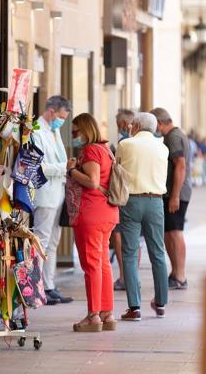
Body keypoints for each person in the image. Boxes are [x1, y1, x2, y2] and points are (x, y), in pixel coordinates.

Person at [66, 113, 119, 332]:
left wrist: (71, 170)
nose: (73, 136)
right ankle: (107, 313)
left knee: (91, 265)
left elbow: (92, 181)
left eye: (75, 131)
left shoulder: (90, 150)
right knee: (103, 263)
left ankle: (93, 315)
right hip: (107, 212)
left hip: (91, 213)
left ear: (86, 130)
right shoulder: (105, 149)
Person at [116, 112, 169, 320]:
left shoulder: (126, 144)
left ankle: (134, 307)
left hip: (131, 201)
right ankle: (161, 302)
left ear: (135, 126)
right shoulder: (163, 148)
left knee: (129, 253)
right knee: (157, 252)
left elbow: (117, 169)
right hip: (156, 201)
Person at [31, 95, 74, 305]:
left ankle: (49, 285)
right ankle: (37, 287)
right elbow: (37, 167)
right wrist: (63, 168)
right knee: (41, 241)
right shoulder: (36, 131)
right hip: (45, 194)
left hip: (58, 193)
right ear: (51, 112)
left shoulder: (54, 130)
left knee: (53, 242)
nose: (62, 121)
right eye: (61, 117)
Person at [151, 107, 192, 290]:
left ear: (159, 122)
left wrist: (175, 195)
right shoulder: (174, 135)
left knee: (175, 232)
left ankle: (180, 275)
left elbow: (180, 166)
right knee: (169, 232)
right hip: (172, 192)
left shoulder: (173, 137)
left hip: (177, 192)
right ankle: (175, 273)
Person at [112, 109, 134, 291]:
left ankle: (124, 276)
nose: (120, 129)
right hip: (139, 193)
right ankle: (131, 276)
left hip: (123, 194)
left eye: (120, 125)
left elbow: (117, 168)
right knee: (134, 238)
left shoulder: (124, 143)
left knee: (119, 235)